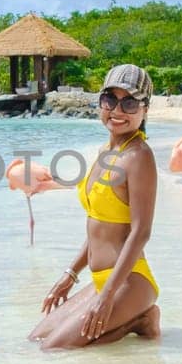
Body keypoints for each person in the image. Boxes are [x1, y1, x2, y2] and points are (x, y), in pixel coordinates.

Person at [29, 64, 160, 349]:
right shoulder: (105, 152)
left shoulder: (139, 157)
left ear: (145, 109)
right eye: (110, 99)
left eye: (130, 102)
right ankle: (134, 319)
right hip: (102, 280)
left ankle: (139, 319)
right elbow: (99, 228)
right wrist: (71, 273)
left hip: (127, 282)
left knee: (55, 349)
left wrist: (107, 296)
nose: (117, 110)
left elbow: (141, 232)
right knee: (36, 338)